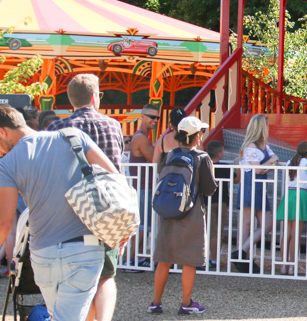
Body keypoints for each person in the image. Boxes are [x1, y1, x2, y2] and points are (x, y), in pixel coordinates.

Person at [0, 105, 118, 321]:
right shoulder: (73, 137)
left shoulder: (6, 166)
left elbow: (3, 223)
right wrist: (119, 227)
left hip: (43, 254)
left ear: (2, 131)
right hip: (84, 246)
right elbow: (114, 179)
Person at [47, 73, 124, 321]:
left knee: (77, 275)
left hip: (69, 212)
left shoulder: (56, 128)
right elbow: (117, 168)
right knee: (105, 275)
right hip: (105, 212)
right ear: (95, 97)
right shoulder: (113, 125)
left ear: (71, 99)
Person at [147, 116, 216, 315]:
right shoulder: (201, 157)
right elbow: (209, 188)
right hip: (192, 212)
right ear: (197, 136)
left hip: (168, 210)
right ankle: (186, 303)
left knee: (164, 259)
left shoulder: (170, 155)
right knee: (189, 260)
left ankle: (155, 302)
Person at [234, 114, 278, 268]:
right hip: (250, 184)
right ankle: (244, 259)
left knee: (267, 223)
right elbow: (258, 169)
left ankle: (241, 251)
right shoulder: (251, 147)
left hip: (260, 185)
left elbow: (274, 159)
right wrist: (270, 163)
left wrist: (268, 164)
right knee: (246, 223)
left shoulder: (264, 146)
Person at [275, 141, 307, 276]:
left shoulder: (289, 162)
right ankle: (293, 266)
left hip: (289, 194)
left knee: (287, 232)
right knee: (296, 233)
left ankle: (284, 265)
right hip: (301, 194)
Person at [128, 105, 161, 269]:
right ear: (142, 116)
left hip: (142, 186)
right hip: (142, 187)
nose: (154, 120)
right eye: (151, 117)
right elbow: (155, 159)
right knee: (142, 225)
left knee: (143, 224)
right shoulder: (141, 138)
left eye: (157, 118)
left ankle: (137, 258)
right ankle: (132, 259)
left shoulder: (142, 137)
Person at [205, 140, 231, 270]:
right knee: (218, 231)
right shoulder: (225, 167)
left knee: (211, 230)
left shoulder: (204, 165)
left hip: (207, 200)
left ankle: (212, 257)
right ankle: (214, 258)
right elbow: (236, 179)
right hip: (222, 201)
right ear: (219, 154)